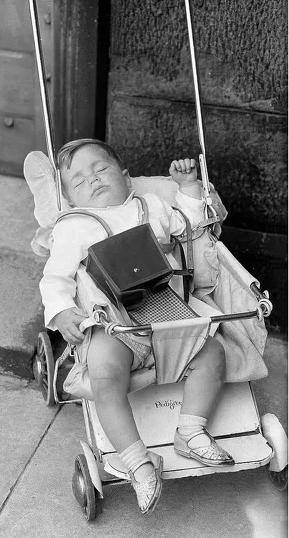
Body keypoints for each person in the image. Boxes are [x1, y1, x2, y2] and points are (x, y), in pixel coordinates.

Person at [39, 139, 234, 516]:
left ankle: (190, 431)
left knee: (212, 352)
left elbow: (193, 228)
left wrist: (189, 188)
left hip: (164, 308)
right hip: (113, 321)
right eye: (79, 182)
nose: (93, 180)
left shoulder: (151, 206)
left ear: (126, 177)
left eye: (101, 169)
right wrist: (62, 312)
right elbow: (55, 278)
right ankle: (138, 462)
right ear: (72, 200)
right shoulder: (75, 226)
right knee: (106, 375)